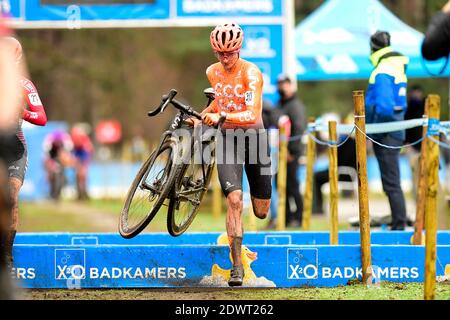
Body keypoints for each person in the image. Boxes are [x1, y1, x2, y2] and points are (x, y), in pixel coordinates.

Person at [197, 23, 272, 286]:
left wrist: (220, 115)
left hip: (255, 139)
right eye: (219, 53)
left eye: (229, 53)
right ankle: (237, 265)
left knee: (262, 211)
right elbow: (222, 98)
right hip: (229, 138)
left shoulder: (251, 73)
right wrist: (208, 114)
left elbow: (251, 113)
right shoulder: (212, 72)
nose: (224, 58)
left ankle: (253, 213)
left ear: (239, 49)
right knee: (235, 199)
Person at [1, 37, 48, 269]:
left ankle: (7, 257)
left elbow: (41, 117)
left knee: (11, 197)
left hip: (15, 148)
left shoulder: (24, 84)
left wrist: (23, 112)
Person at [365, 30, 408, 230]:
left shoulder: (382, 70)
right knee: (393, 181)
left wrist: (374, 132)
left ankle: (398, 225)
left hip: (386, 132)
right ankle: (398, 221)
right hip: (396, 129)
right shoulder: (397, 67)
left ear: (373, 47)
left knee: (391, 182)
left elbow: (383, 107)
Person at [274, 74, 306, 228]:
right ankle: (286, 218)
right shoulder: (280, 104)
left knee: (292, 185)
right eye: (280, 83)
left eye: (285, 83)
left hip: (291, 153)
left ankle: (299, 218)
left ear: (291, 85)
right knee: (280, 184)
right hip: (280, 152)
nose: (282, 86)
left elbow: (299, 128)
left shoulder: (295, 105)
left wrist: (291, 151)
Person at [43, 130, 74, 200]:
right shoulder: (49, 143)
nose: (57, 144)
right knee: (51, 174)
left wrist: (66, 159)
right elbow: (46, 156)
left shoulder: (66, 142)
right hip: (52, 157)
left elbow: (68, 154)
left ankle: (57, 193)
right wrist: (49, 165)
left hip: (61, 158)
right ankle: (52, 192)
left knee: (61, 174)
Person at [70, 125, 94, 200]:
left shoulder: (85, 142)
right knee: (78, 174)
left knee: (83, 174)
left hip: (84, 153)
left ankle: (84, 192)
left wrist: (84, 165)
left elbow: (89, 151)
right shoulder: (73, 141)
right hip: (78, 153)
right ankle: (80, 193)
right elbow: (72, 153)